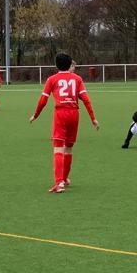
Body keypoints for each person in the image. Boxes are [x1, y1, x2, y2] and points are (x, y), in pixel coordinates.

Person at [29, 52, 99, 193]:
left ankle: (59, 183)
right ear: (69, 64)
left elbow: (43, 101)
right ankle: (65, 179)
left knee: (58, 148)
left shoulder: (52, 79)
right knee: (68, 148)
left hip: (61, 114)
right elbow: (86, 100)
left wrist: (35, 115)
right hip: (74, 114)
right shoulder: (77, 79)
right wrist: (93, 118)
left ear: (56, 65)